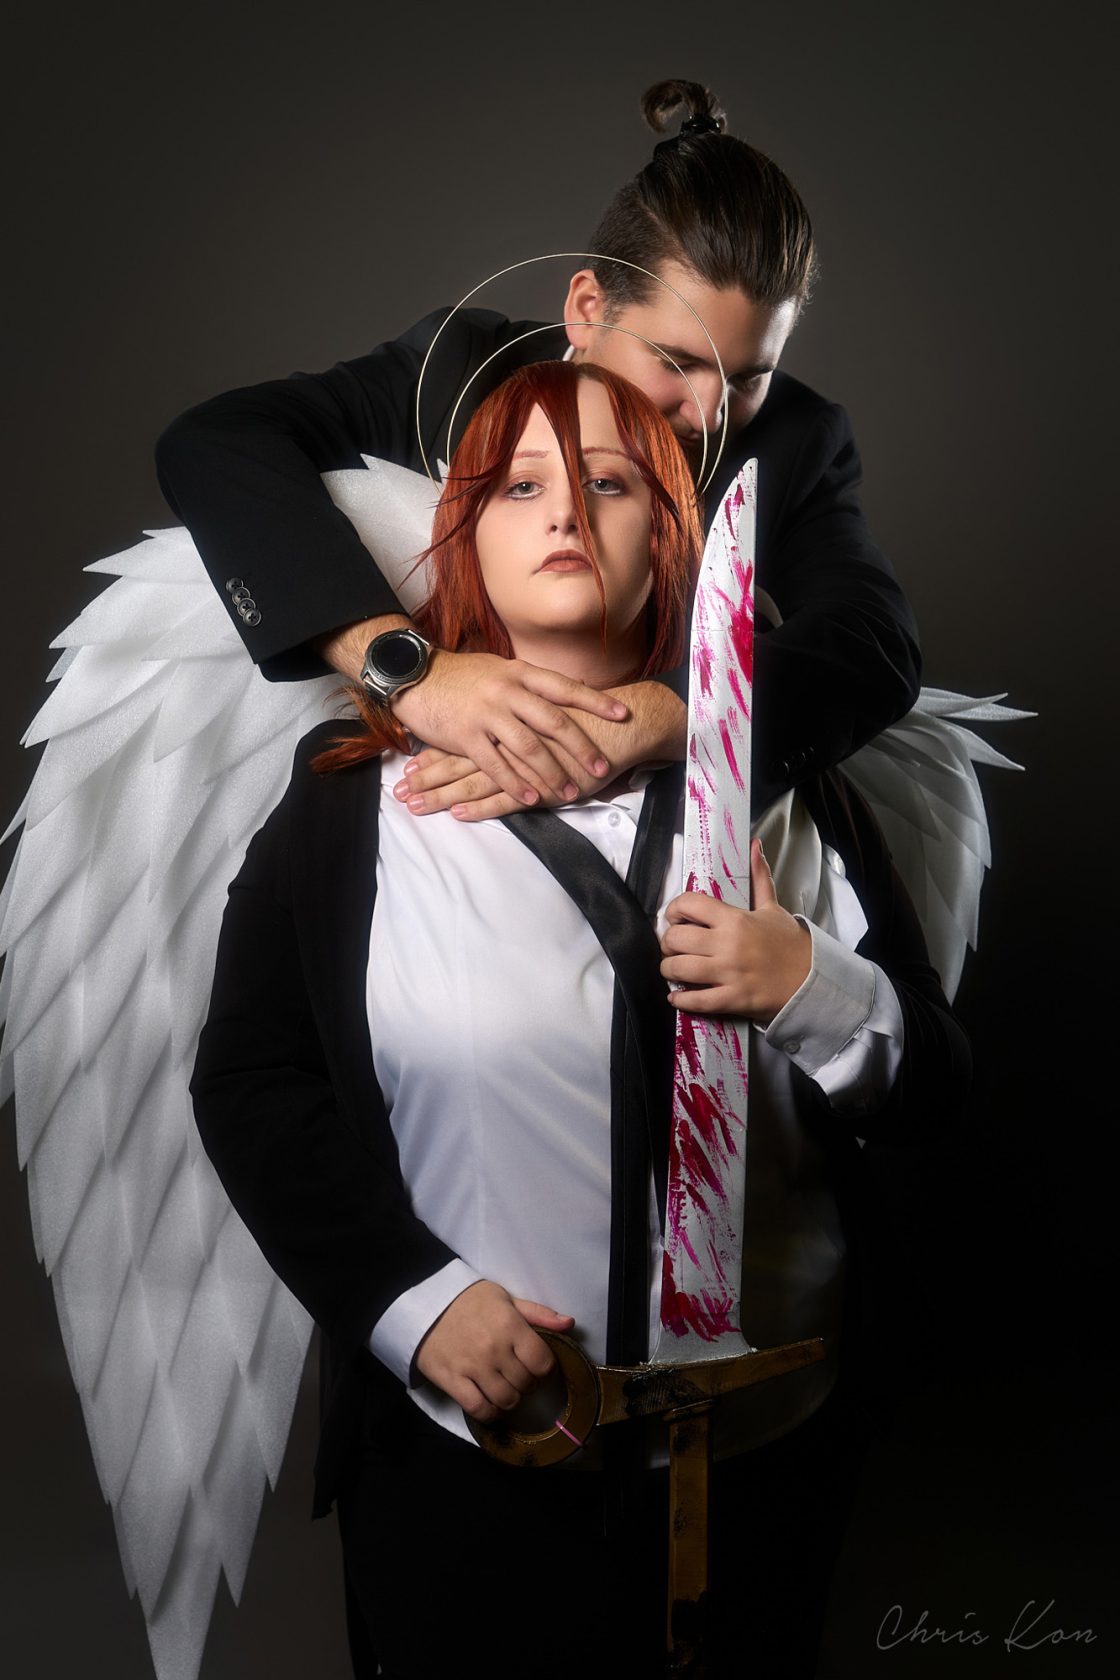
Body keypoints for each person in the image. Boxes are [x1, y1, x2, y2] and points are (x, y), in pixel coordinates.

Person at [191, 358, 969, 1679]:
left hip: (772, 1467)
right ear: (464, 536)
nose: (564, 513)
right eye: (518, 486)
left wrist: (810, 986)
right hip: (472, 1476)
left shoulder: (801, 794)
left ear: (668, 531)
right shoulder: (348, 808)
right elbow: (254, 1086)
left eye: (610, 483)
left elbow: (939, 1094)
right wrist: (414, 1303)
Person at [155, 77, 921, 828]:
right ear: (588, 308)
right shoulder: (457, 371)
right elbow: (214, 443)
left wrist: (646, 719)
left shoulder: (795, 437)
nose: (709, 413)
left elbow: (874, 641)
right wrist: (412, 671)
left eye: (748, 376)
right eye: (678, 361)